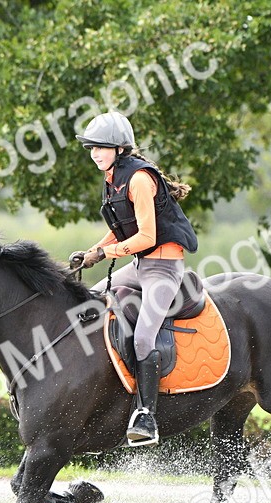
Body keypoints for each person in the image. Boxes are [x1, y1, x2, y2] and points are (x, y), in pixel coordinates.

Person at [69, 111, 198, 446]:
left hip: (164, 268)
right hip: (140, 266)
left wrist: (106, 255)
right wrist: (92, 250)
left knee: (143, 339)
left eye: (101, 147)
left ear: (119, 148)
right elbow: (119, 231)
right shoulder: (113, 178)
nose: (95, 153)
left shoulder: (139, 179)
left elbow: (146, 236)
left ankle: (146, 415)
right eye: (91, 148)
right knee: (87, 306)